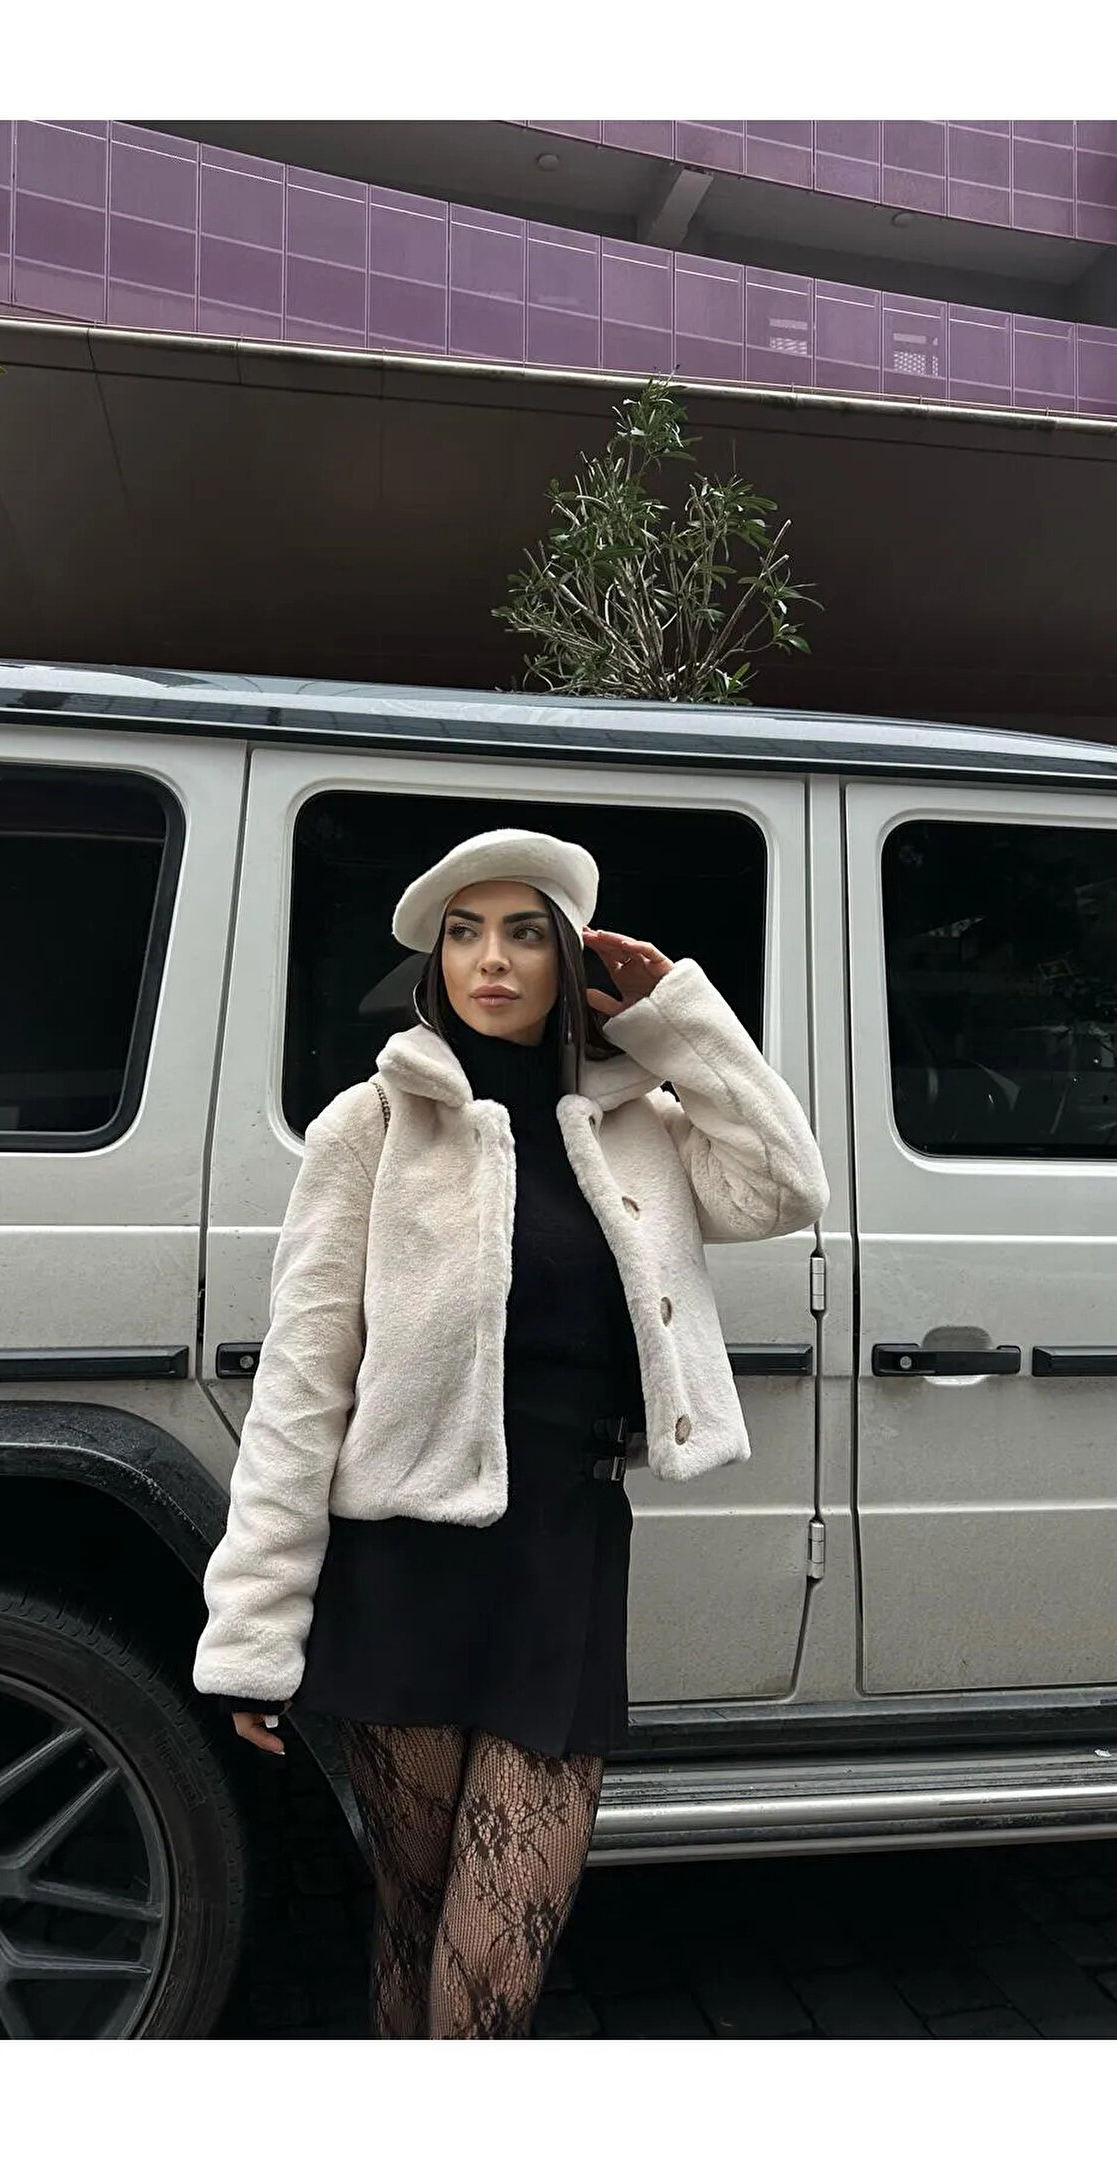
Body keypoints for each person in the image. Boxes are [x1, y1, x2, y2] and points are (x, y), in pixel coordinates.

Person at [194, 828, 829, 2039]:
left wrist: (678, 1018)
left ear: (567, 960)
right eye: (466, 932)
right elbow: (301, 1389)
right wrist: (253, 1637)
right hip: (403, 1565)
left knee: (497, 1950)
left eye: (526, 933)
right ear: (437, 960)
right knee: (413, 1914)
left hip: (564, 1551)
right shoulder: (370, 1128)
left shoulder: (636, 1124)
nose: (493, 958)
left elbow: (785, 1185)